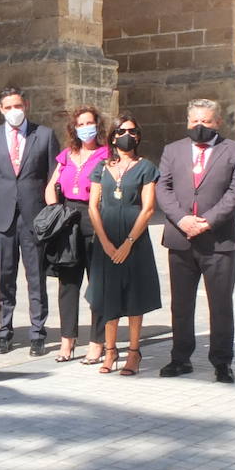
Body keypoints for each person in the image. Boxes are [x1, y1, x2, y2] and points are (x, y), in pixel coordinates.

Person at [156, 98, 235, 382]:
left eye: (206, 121)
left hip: (218, 241)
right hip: (180, 238)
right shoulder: (172, 150)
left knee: (220, 304)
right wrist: (182, 219)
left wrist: (206, 222)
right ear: (187, 122)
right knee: (181, 305)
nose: (199, 126)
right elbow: (163, 187)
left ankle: (222, 362)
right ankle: (180, 358)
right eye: (194, 121)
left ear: (218, 122)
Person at [0, 87, 60, 355]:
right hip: (2, 218)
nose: (14, 111)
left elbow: (52, 177)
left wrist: (52, 218)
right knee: (5, 277)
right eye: (8, 107)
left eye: (18, 105)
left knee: (36, 276)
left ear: (25, 105)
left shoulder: (45, 135)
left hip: (34, 218)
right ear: (1, 109)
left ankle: (38, 332)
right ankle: (4, 331)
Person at [86, 113, 161, 376]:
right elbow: (93, 206)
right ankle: (109, 350)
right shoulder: (102, 167)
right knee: (108, 295)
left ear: (138, 135)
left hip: (134, 238)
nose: (125, 136)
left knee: (134, 295)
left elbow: (149, 208)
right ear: (112, 137)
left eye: (130, 131)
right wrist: (105, 242)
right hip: (106, 238)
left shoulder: (146, 167)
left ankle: (133, 352)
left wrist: (129, 242)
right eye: (120, 132)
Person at [45, 106, 110, 363]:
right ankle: (67, 341)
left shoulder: (106, 155)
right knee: (68, 284)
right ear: (74, 128)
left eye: (89, 123)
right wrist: (54, 211)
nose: (85, 128)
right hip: (67, 220)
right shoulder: (67, 155)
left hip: (94, 218)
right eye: (80, 124)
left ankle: (97, 342)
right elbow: (51, 186)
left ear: (97, 125)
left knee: (97, 284)